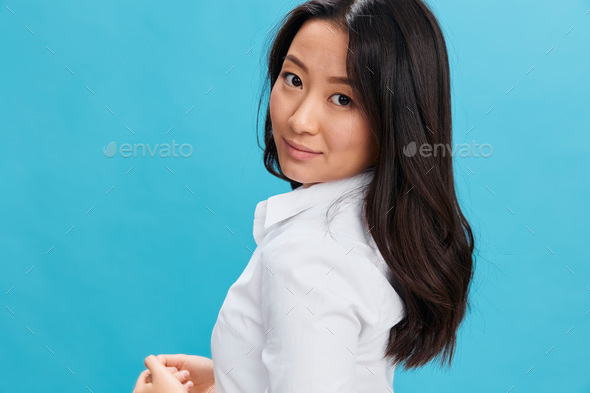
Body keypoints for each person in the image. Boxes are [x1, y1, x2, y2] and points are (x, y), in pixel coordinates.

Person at [133, 0, 475, 392]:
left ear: (396, 117)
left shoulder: (307, 258)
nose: (300, 120)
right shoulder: (379, 223)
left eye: (343, 99)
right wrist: (228, 380)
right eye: (294, 79)